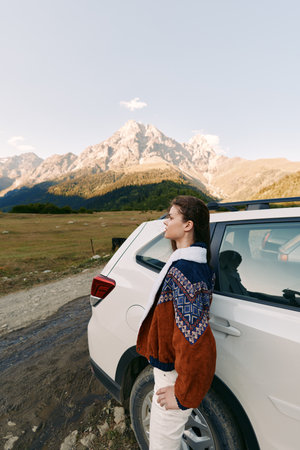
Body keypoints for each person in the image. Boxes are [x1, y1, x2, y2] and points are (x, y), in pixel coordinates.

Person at [136, 195, 216, 450]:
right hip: (172, 372)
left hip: (173, 377)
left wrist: (182, 395)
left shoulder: (185, 271)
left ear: (188, 225)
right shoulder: (188, 265)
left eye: (171, 217)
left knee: (162, 445)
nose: (165, 222)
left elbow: (195, 342)